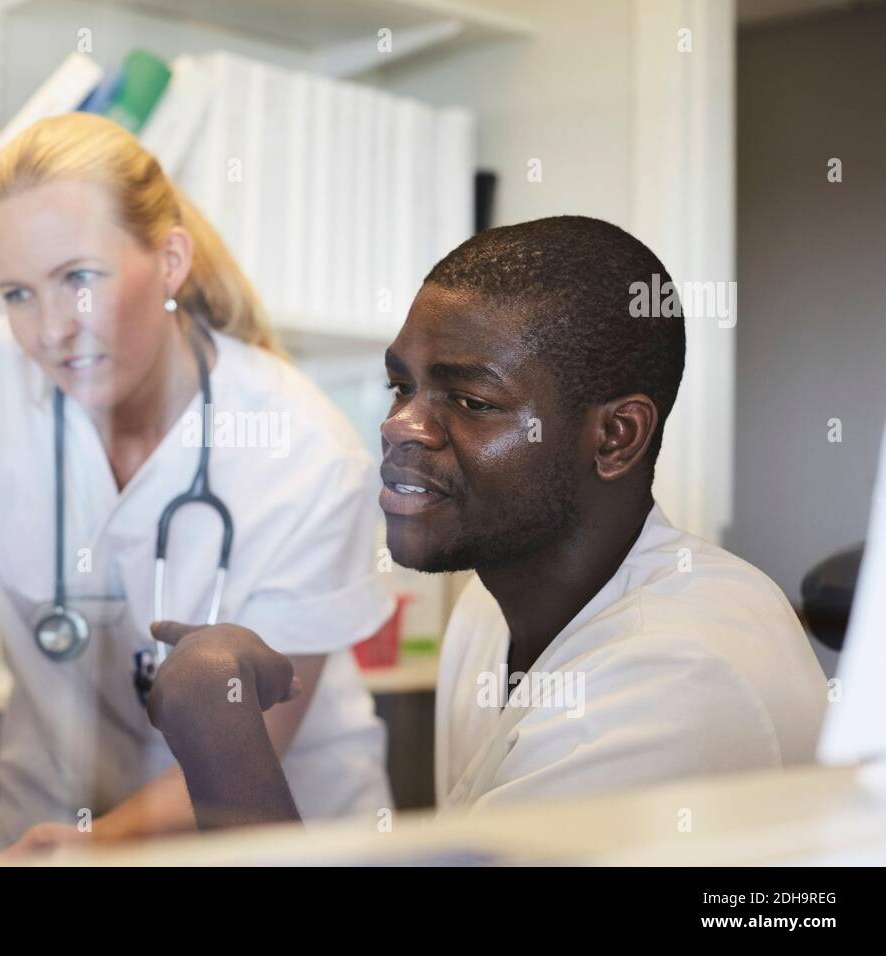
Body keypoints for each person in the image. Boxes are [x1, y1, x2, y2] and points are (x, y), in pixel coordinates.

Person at [145, 215, 829, 829]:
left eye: (471, 400)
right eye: (401, 387)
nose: (398, 425)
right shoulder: (487, 607)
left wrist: (219, 731)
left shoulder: (677, 677)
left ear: (616, 436)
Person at [0, 112, 394, 859]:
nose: (48, 330)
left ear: (171, 260)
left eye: (78, 279)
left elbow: (253, 735)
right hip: (48, 822)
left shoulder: (305, 448)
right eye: (16, 293)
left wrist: (91, 845)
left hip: (261, 840)